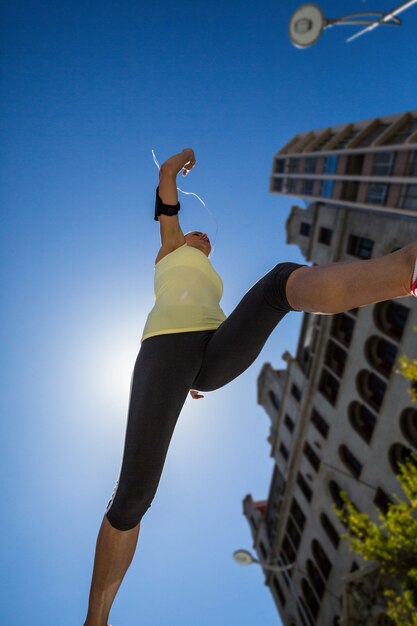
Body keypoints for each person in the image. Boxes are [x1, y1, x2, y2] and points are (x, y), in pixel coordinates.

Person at [83, 148, 417, 626]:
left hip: (213, 351)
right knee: (134, 495)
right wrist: (179, 162)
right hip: (165, 348)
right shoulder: (171, 247)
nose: (201, 235)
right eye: (193, 232)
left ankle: (407, 270)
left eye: (202, 235)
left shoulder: (204, 269)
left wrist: (195, 372)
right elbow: (165, 189)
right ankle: (96, 618)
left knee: (278, 283)